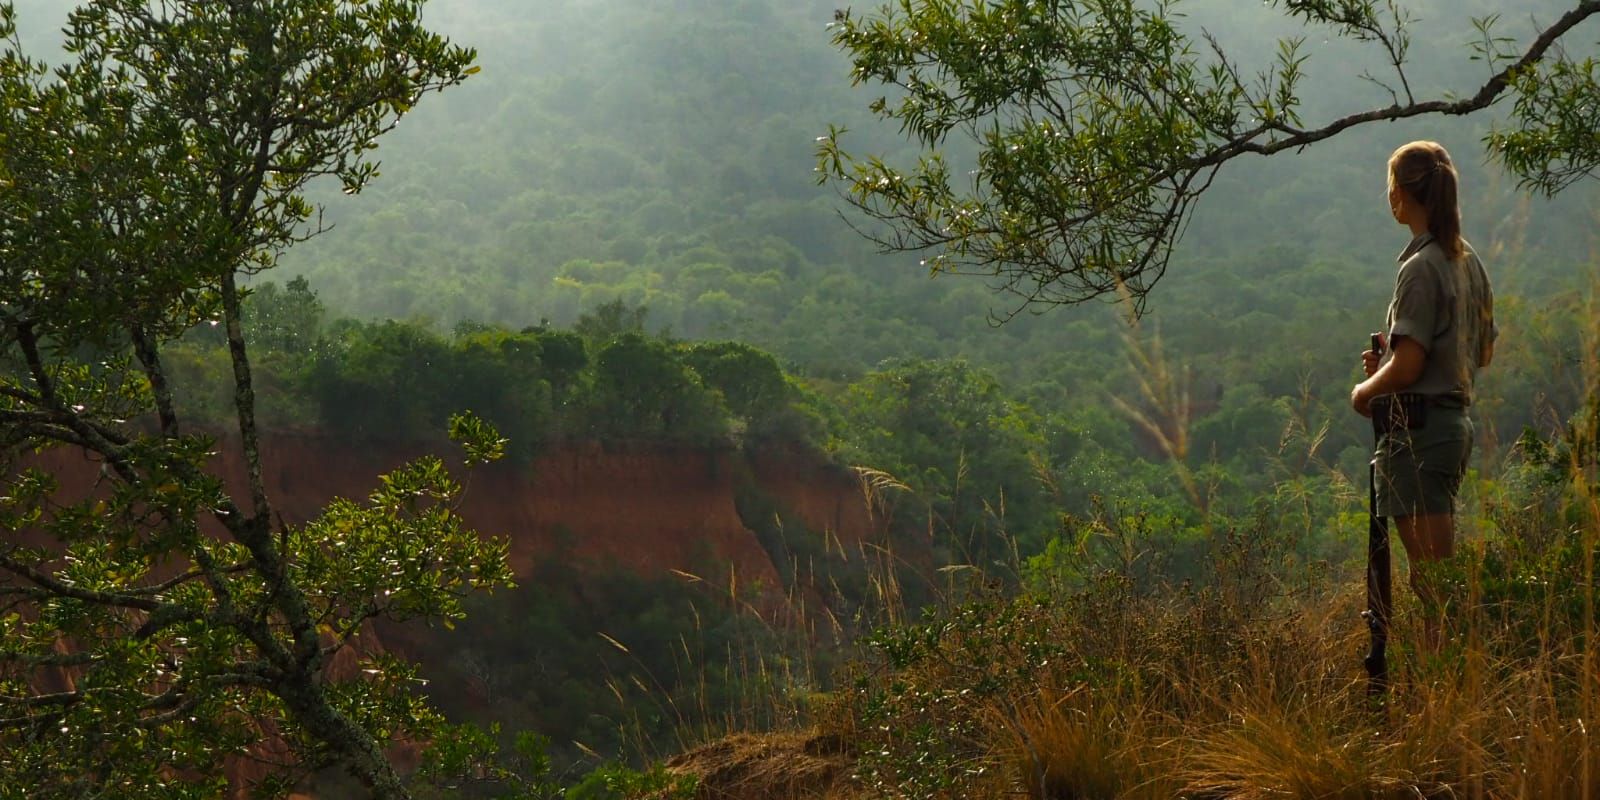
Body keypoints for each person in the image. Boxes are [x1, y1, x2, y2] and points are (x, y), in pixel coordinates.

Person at [1350, 140, 1497, 652]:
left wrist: (1366, 390)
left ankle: (1449, 684)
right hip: (1452, 429)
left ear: (1401, 194)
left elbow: (1410, 365)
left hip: (1421, 435)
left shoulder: (1420, 267)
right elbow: (1481, 353)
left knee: (1434, 587)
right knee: (1435, 581)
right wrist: (1395, 365)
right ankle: (1450, 679)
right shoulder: (1468, 260)